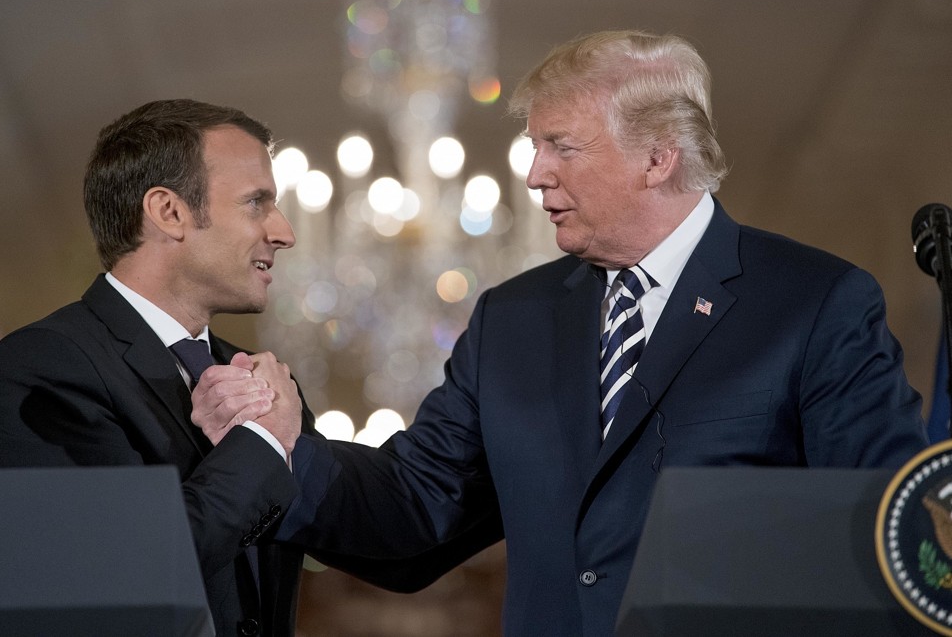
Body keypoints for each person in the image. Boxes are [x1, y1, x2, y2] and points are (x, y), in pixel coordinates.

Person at [270, 31, 931, 636]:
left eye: (562, 145)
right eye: (534, 147)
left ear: (657, 157)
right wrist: (277, 449)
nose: (535, 174)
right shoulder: (511, 319)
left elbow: (884, 535)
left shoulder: (814, 303)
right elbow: (413, 506)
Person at [0, 99, 311, 637]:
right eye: (256, 203)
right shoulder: (45, 363)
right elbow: (119, 566)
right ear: (169, 212)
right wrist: (261, 444)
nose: (284, 232)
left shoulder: (260, 381)